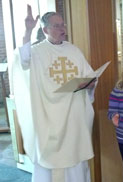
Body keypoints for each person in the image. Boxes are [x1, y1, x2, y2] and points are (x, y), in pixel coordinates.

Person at [13, 5, 96, 182]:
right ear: (45, 30)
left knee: (75, 157)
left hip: (73, 114)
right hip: (49, 115)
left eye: (62, 25)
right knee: (50, 158)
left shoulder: (73, 50)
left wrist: (90, 84)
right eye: (56, 25)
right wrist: (27, 31)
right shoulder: (37, 51)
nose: (62, 29)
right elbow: (23, 60)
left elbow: (89, 75)